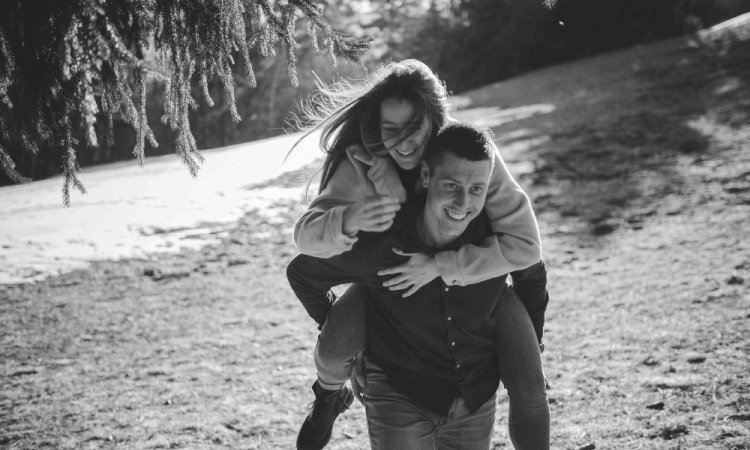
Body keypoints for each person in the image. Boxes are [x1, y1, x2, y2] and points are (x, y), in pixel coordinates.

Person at [289, 60, 549, 450]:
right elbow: (306, 244)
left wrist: (533, 337)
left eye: (415, 128)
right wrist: (350, 217)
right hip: (386, 272)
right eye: (390, 128)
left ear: (435, 121)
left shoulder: (469, 159)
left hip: (477, 274)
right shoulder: (364, 162)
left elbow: (527, 250)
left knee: (529, 382)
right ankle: (328, 395)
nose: (403, 141)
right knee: (337, 345)